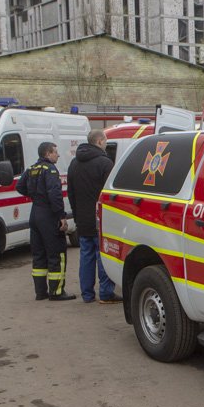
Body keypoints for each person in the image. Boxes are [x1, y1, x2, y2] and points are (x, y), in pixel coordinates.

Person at [67, 129, 121, 303]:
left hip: (83, 219)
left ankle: (87, 294)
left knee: (86, 257)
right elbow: (110, 194)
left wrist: (77, 216)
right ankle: (106, 293)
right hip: (101, 219)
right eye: (105, 141)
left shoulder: (74, 163)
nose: (106, 144)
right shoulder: (105, 163)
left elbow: (71, 193)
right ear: (99, 142)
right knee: (103, 256)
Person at [16, 141, 75, 301]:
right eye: (55, 152)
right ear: (48, 154)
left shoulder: (31, 169)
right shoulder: (50, 170)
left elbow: (19, 186)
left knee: (39, 254)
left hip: (35, 213)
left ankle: (40, 292)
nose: (58, 155)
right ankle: (56, 292)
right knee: (57, 253)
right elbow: (55, 195)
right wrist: (61, 216)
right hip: (48, 215)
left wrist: (35, 195)